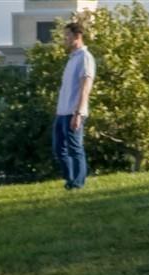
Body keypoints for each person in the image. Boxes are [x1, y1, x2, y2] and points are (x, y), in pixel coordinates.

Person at [52, 22, 95, 190]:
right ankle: (70, 180)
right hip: (62, 112)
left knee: (75, 149)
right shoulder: (72, 59)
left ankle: (78, 183)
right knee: (59, 149)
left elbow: (86, 86)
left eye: (67, 36)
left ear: (77, 36)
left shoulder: (85, 58)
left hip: (74, 111)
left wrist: (78, 113)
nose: (65, 39)